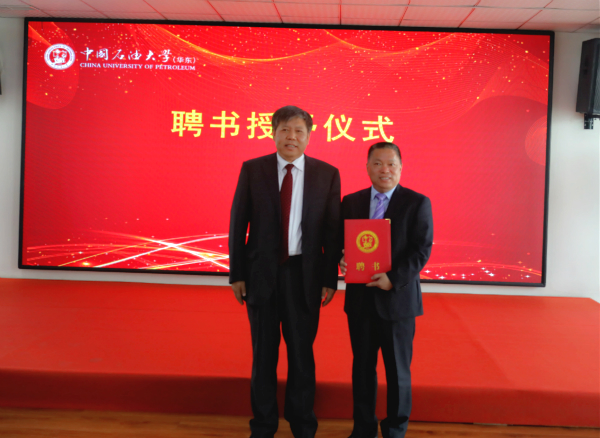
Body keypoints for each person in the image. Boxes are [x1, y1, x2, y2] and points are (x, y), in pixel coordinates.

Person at [229, 105, 341, 438]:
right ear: (273, 132)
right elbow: (238, 223)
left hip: (304, 276)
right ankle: (263, 425)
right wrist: (237, 274)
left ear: (309, 136)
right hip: (261, 276)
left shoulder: (326, 174)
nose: (292, 137)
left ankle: (303, 424)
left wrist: (329, 279)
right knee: (263, 355)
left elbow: (332, 232)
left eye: (299, 131)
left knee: (301, 354)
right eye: (285, 130)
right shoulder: (254, 169)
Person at [340, 142, 433, 438]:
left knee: (398, 372)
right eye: (378, 163)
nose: (385, 170)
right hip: (360, 301)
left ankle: (395, 430)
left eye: (391, 164)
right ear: (367, 167)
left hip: (397, 300)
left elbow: (421, 250)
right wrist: (341, 258)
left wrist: (392, 278)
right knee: (362, 369)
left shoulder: (417, 202)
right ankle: (363, 429)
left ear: (401, 168)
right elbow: (341, 242)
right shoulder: (351, 202)